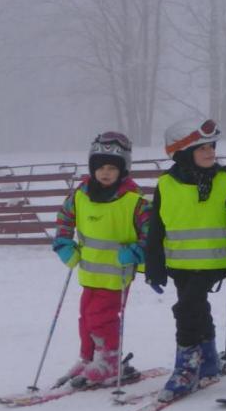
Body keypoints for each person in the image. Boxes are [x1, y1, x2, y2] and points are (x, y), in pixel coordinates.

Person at [145, 118, 226, 401]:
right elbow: (156, 228)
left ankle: (185, 367)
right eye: (202, 148)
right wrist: (153, 267)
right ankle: (207, 359)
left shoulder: (225, 181)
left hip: (216, 262)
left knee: (186, 309)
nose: (210, 153)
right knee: (196, 307)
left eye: (212, 147)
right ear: (183, 153)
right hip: (179, 263)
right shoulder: (166, 185)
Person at [50, 132, 151, 386]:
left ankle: (109, 359)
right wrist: (63, 243)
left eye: (111, 168)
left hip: (118, 272)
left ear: (122, 169)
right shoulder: (80, 195)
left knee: (100, 316)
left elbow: (151, 233)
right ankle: (89, 356)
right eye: (100, 167)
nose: (105, 172)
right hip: (89, 270)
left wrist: (137, 251)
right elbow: (64, 218)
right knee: (86, 315)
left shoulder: (134, 201)